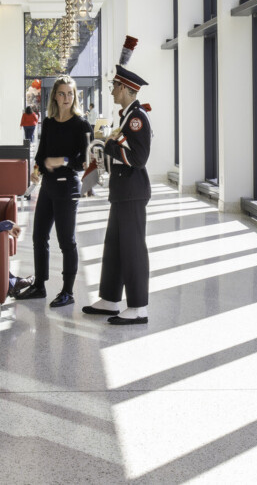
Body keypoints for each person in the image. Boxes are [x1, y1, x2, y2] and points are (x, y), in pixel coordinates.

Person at [83, 64, 153, 325]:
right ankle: (110, 299)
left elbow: (139, 157)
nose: (112, 90)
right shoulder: (127, 115)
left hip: (132, 190)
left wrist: (110, 144)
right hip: (123, 190)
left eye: (115, 86)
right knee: (114, 246)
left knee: (133, 249)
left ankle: (138, 307)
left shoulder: (137, 118)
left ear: (125, 88)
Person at [14, 76, 91, 307]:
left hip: (68, 186)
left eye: (70, 93)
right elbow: (41, 153)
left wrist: (63, 160)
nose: (66, 98)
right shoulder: (47, 122)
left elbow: (84, 161)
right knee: (39, 236)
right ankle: (39, 285)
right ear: (54, 96)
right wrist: (36, 169)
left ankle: (68, 292)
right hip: (47, 185)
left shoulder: (82, 124)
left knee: (67, 240)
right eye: (62, 93)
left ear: (75, 96)